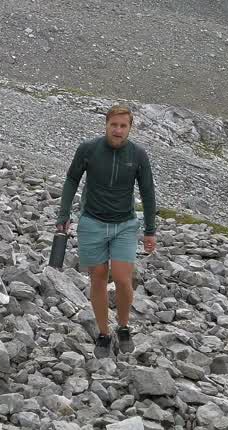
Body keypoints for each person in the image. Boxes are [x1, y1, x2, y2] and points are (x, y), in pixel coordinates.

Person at [55, 103, 158, 358]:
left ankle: (123, 327)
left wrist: (150, 230)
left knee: (123, 279)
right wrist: (64, 214)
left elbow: (147, 192)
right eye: (114, 125)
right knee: (98, 277)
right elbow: (71, 179)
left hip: (124, 224)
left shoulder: (138, 155)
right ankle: (103, 333)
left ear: (130, 128)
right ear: (106, 125)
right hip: (92, 222)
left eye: (123, 126)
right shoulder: (88, 149)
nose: (118, 130)